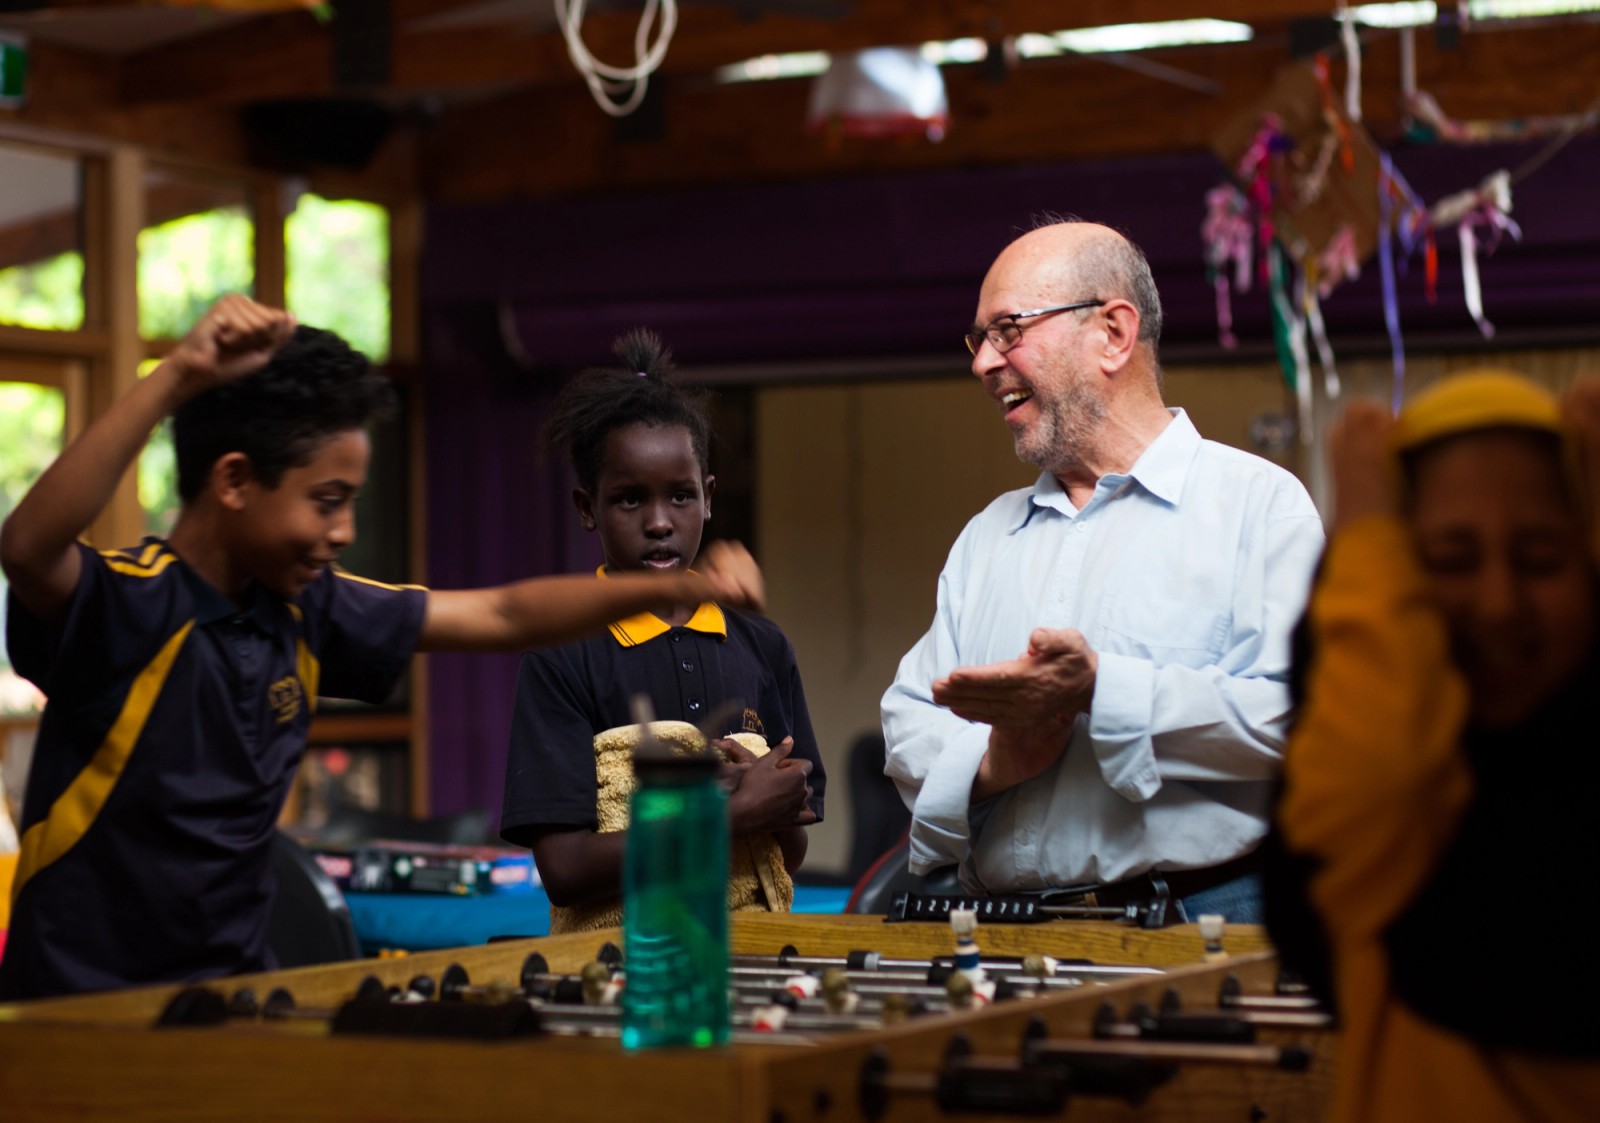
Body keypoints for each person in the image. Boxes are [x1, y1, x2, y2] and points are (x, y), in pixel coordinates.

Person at [0, 297, 764, 1001]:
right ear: (234, 480)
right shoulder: (128, 603)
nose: (345, 530)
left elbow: (501, 613)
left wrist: (671, 589)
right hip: (76, 1006)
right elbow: (29, 547)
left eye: (351, 503)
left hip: (226, 1000)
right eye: (327, 502)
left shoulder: (311, 606)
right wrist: (176, 378)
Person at [881, 219, 1324, 922]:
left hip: (1199, 925)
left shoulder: (1259, 507)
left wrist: (1104, 691)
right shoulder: (985, 538)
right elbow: (908, 723)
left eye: (1008, 329)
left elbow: (1300, 718)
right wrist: (1002, 759)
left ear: (1115, 332)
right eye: (978, 340)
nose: (982, 363)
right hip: (1000, 935)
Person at [1274, 371, 1600, 1123]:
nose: (1498, 602)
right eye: (1450, 561)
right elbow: (1370, 784)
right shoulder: (1368, 802)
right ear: (1396, 590)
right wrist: (1366, 543)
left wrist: (1363, 537)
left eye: (1542, 557)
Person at [499, 329, 823, 932]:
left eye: (679, 497)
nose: (658, 523)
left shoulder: (763, 647)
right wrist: (726, 816)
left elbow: (786, 853)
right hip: (621, 966)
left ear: (707, 499)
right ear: (586, 507)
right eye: (628, 500)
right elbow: (565, 871)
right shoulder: (562, 656)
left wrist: (762, 807)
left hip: (747, 949)